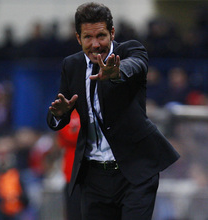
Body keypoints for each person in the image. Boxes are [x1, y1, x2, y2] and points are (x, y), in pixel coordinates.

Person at [46, 2, 180, 220]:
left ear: (112, 33)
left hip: (135, 172)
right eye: (88, 37)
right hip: (93, 177)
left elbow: (136, 65)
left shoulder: (130, 50)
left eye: (101, 36)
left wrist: (117, 73)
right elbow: (56, 115)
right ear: (78, 38)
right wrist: (59, 114)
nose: (96, 44)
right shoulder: (71, 66)